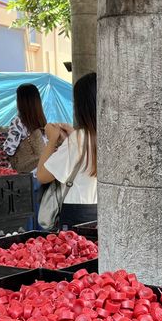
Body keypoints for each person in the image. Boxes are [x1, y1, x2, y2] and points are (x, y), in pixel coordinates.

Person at [37, 73, 97, 227]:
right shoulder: (114, 136)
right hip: (103, 211)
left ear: (81, 106)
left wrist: (51, 140)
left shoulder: (78, 139)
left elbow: (43, 176)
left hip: (77, 214)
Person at [3, 84, 48, 228]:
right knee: (40, 214)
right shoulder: (42, 123)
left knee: (26, 217)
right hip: (41, 174)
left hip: (24, 177)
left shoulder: (18, 122)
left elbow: (9, 149)